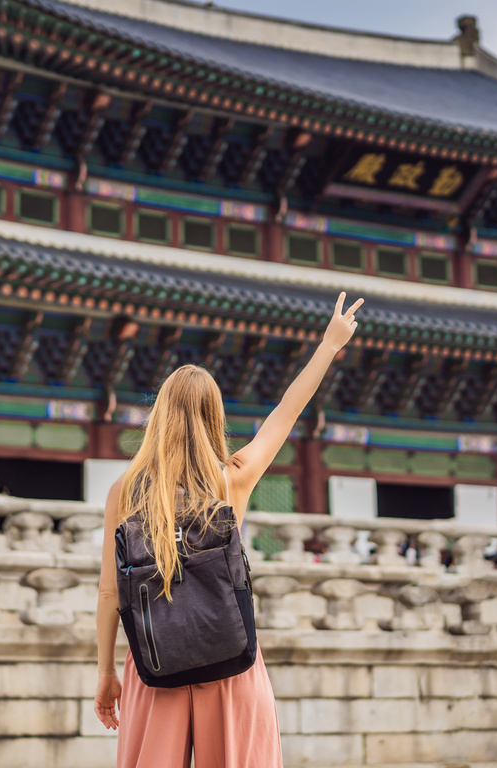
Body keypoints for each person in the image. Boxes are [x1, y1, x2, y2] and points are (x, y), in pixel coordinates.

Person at [93, 291, 364, 768]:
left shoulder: (124, 490)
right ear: (213, 416)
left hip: (154, 662)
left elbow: (109, 593)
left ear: (159, 415)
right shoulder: (231, 478)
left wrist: (105, 672)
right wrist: (329, 345)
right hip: (227, 655)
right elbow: (286, 413)